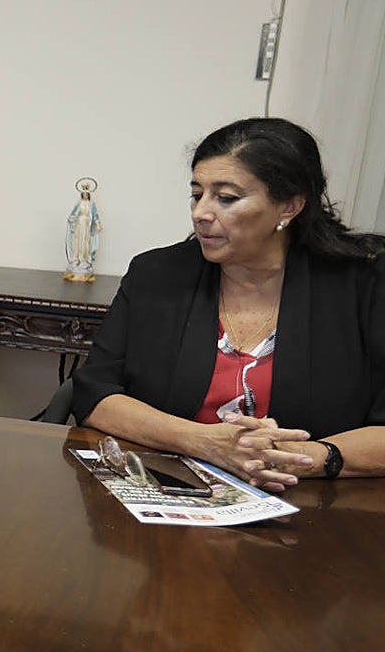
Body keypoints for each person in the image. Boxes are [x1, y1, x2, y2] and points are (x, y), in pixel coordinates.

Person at [73, 117, 385, 491]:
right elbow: (95, 395)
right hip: (170, 493)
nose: (201, 212)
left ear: (289, 206)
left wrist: (314, 457)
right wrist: (202, 441)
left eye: (226, 198)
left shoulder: (364, 282)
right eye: (197, 193)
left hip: (316, 505)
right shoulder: (157, 274)